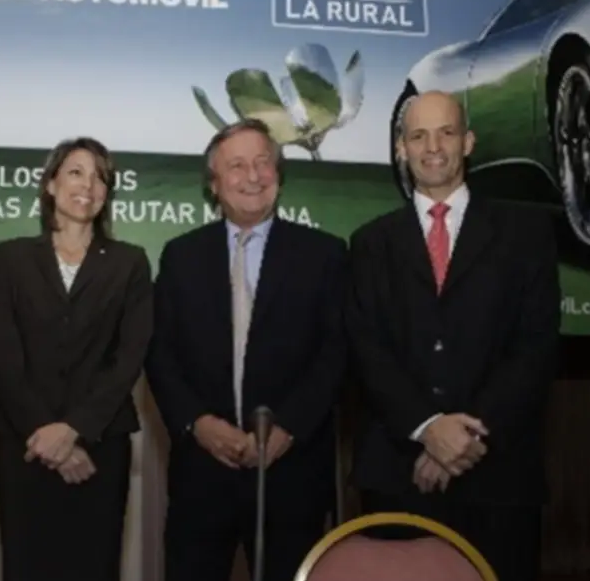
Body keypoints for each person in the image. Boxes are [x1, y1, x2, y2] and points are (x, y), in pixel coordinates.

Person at [346, 91, 561, 580]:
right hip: (398, 475)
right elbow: (366, 351)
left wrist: (461, 438)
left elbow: (536, 347)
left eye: (446, 133)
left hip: (499, 473)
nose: (432, 147)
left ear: (468, 142)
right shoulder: (370, 243)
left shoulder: (526, 232)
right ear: (401, 148)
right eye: (418, 136)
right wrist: (427, 428)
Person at [145, 119, 348, 581]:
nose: (253, 176)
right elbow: (160, 352)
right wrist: (197, 423)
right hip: (202, 475)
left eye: (263, 163)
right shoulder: (181, 256)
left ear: (279, 175)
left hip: (292, 474)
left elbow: (336, 353)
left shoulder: (324, 254)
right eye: (237, 166)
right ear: (214, 184)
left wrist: (289, 427)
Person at [0, 137, 152, 581]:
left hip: (100, 446)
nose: (88, 185)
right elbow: (1, 353)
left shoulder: (129, 263)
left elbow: (129, 356)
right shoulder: (10, 258)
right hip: (24, 445)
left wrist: (75, 430)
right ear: (51, 184)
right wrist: (47, 435)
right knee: (26, 567)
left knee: (94, 567)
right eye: (76, 172)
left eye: (100, 178)